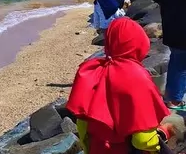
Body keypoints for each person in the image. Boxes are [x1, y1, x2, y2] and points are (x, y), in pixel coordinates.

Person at [67, 17, 182, 153]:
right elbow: (142, 140)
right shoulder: (136, 76)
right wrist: (163, 135)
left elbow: (82, 123)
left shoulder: (91, 71)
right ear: (139, 44)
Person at [154, 0, 186, 110]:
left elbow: (159, 3)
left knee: (176, 61)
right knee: (180, 65)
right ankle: (175, 99)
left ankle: (172, 95)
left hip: (171, 29)